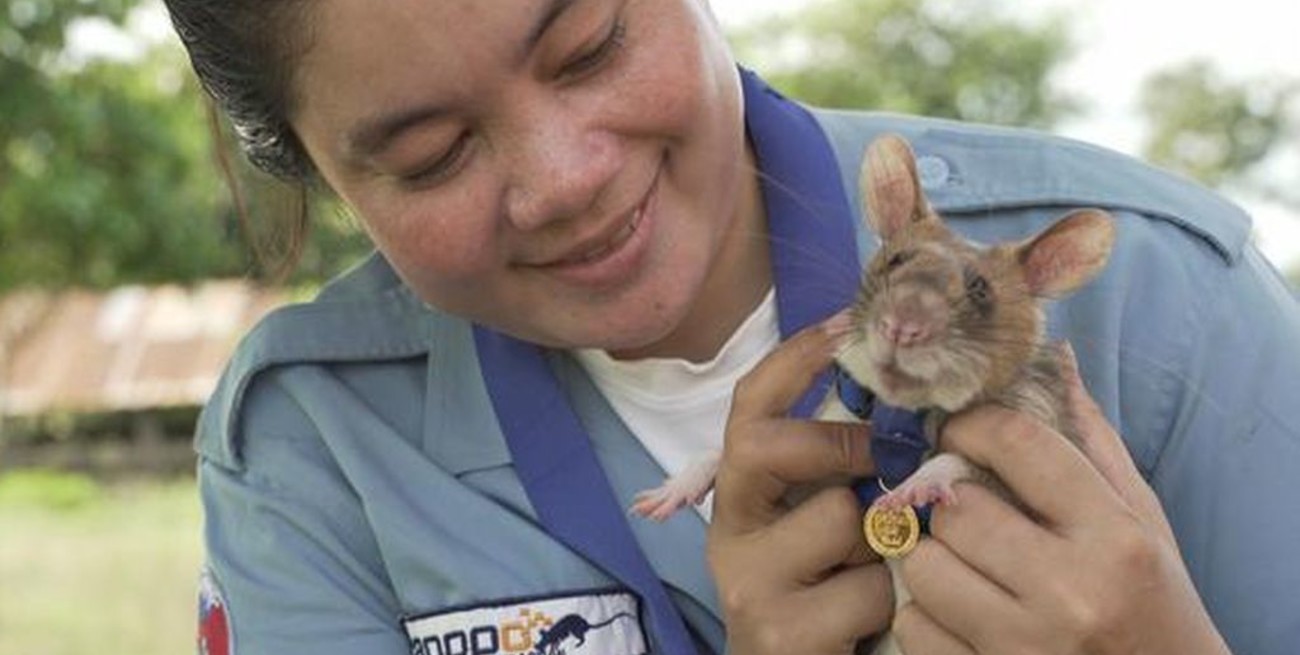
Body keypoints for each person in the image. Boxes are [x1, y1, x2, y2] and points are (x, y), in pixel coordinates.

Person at [164, 1, 1300, 654]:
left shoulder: (1160, 294)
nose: (566, 181)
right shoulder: (308, 442)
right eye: (430, 157)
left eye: (593, 44)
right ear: (315, 173)